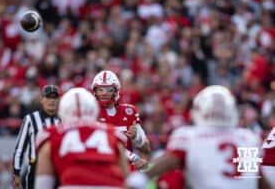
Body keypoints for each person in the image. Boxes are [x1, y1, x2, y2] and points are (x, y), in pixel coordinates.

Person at [126, 85, 270, 189]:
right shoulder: (247, 138)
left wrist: (140, 177)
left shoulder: (189, 136)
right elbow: (255, 179)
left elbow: (169, 161)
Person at [34, 88, 129, 188]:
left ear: (63, 111)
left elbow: (43, 184)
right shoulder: (111, 132)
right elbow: (126, 178)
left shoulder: (52, 133)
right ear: (94, 109)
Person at [91, 70, 151, 169]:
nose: (104, 93)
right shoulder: (92, 113)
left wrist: (136, 138)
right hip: (103, 168)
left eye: (108, 89)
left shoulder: (129, 111)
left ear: (116, 90)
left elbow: (147, 149)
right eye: (100, 89)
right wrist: (134, 158)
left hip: (126, 170)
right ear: (95, 91)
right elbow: (109, 146)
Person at [12, 85, 60, 189]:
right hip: (35, 168)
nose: (51, 101)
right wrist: (16, 173)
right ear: (42, 100)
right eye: (48, 97)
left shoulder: (63, 120)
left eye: (54, 97)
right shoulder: (30, 119)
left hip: (58, 169)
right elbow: (20, 148)